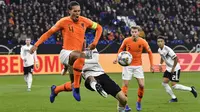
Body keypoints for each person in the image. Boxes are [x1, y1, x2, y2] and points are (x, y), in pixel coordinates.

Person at [29, 1, 102, 101]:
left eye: (79, 11)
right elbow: (49, 33)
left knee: (74, 82)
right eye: (75, 11)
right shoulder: (63, 21)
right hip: (66, 53)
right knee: (81, 56)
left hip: (77, 59)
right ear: (69, 11)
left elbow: (99, 27)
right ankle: (75, 87)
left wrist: (94, 43)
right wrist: (36, 45)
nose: (77, 13)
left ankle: (55, 90)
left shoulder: (84, 21)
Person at [60, 48, 127, 112]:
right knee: (90, 78)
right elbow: (69, 63)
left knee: (123, 99)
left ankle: (120, 109)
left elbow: (95, 60)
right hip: (87, 74)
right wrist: (65, 69)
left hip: (100, 74)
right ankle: (96, 86)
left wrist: (81, 60)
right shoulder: (72, 53)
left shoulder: (90, 48)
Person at [113, 26, 154, 111]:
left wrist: (152, 65)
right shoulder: (126, 40)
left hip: (138, 66)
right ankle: (125, 105)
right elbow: (120, 49)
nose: (134, 34)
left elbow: (150, 52)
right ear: (130, 32)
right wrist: (117, 58)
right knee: (125, 85)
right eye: (132, 32)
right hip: (127, 66)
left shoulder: (143, 42)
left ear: (139, 33)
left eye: (135, 32)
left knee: (142, 85)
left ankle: (138, 102)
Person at [157, 36, 197, 102]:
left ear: (164, 42)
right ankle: (174, 98)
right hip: (168, 68)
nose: (160, 43)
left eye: (161, 41)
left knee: (174, 86)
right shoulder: (159, 50)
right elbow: (162, 56)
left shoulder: (168, 50)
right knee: (164, 83)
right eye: (158, 41)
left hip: (175, 68)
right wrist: (160, 64)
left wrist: (173, 68)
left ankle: (191, 89)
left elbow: (176, 59)